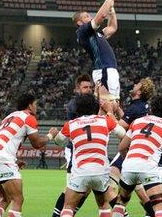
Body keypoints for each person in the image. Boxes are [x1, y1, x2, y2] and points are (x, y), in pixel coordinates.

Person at [0, 93, 58, 217]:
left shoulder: (9, 117)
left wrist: (15, 160)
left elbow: (5, 140)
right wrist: (51, 135)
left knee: (5, 199)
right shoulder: (28, 117)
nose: (36, 107)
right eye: (35, 104)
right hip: (3, 161)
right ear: (29, 106)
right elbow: (37, 144)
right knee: (18, 199)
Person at [53, 94, 125, 217]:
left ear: (77, 108)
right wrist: (109, 112)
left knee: (68, 206)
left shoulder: (71, 124)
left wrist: (54, 134)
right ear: (95, 106)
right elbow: (123, 134)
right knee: (103, 205)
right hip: (100, 171)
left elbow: (59, 141)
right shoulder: (105, 121)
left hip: (80, 171)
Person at [112, 95, 162, 217]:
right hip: (148, 167)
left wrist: (128, 162)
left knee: (121, 203)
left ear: (151, 109)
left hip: (128, 165)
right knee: (158, 207)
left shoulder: (137, 122)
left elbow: (121, 147)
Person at [52, 74, 95, 217]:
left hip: (88, 150)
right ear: (77, 89)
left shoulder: (93, 102)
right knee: (72, 188)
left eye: (90, 87)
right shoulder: (74, 105)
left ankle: (66, 213)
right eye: (85, 87)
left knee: (85, 189)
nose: (88, 89)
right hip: (76, 150)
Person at [109, 78, 153, 216]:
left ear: (139, 91)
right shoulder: (142, 107)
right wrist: (118, 110)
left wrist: (109, 111)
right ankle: (153, 212)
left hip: (129, 151)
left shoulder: (135, 108)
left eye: (137, 84)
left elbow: (118, 127)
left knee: (108, 187)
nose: (134, 85)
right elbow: (129, 122)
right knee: (140, 192)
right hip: (139, 153)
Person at [73, 0, 118, 101]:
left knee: (111, 105)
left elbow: (112, 28)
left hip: (107, 70)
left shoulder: (95, 34)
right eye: (86, 16)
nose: (90, 17)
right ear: (79, 22)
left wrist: (112, 9)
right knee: (109, 105)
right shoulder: (83, 31)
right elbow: (101, 16)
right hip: (104, 70)